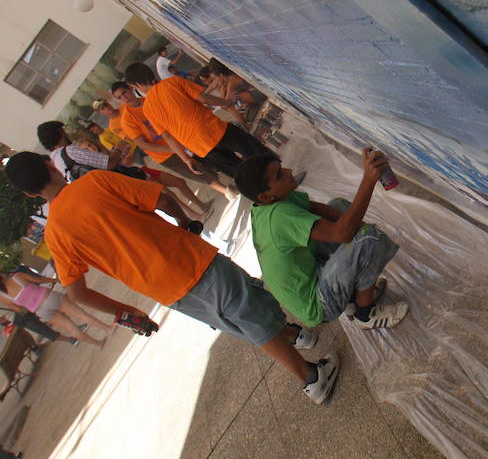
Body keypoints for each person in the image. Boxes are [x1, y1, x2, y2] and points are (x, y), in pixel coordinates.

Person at [4, 153, 339, 403]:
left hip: (165, 291)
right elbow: (160, 197)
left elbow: (77, 294)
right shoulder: (93, 183)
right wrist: (185, 223)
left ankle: (294, 335)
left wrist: (127, 311)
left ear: (32, 195)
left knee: (238, 314)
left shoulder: (56, 235)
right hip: (189, 261)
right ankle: (310, 377)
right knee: (248, 309)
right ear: (50, 166)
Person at [234, 148, 409, 333]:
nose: (289, 172)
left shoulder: (272, 200)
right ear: (264, 196)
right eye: (279, 175)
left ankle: (355, 295)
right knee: (370, 238)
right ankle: (365, 314)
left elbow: (319, 210)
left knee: (340, 208)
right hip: (317, 304)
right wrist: (368, 181)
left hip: (312, 272)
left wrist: (361, 249)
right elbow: (342, 234)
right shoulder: (278, 217)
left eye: (282, 168)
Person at [124, 63, 274, 179]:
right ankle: (280, 175)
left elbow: (168, 137)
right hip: (216, 130)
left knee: (241, 174)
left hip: (201, 148)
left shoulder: (147, 109)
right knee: (256, 151)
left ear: (136, 85)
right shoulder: (172, 82)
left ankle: (270, 194)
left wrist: (186, 159)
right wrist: (225, 102)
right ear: (150, 72)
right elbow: (203, 98)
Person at [110, 81, 234, 200]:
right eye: (120, 97)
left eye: (124, 92)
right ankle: (226, 191)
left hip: (181, 139)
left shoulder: (148, 101)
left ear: (131, 88)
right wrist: (172, 148)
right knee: (198, 171)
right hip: (165, 154)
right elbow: (143, 145)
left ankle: (232, 182)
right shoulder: (127, 120)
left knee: (208, 161)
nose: (124, 98)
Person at [75, 135, 212, 221]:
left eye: (89, 144)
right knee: (169, 196)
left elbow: (131, 160)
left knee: (179, 182)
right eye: (86, 149)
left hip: (141, 170)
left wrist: (128, 155)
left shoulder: (108, 153)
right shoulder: (100, 165)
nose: (90, 148)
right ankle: (194, 216)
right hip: (136, 179)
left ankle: (201, 206)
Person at [0, 272, 112, 348]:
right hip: (49, 297)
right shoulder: (17, 277)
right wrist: (54, 280)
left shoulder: (2, 297)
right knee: (81, 314)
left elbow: (19, 309)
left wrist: (27, 303)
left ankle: (98, 343)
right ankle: (107, 328)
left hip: (40, 311)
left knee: (71, 329)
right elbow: (39, 279)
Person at [37, 121, 132, 182]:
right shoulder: (69, 151)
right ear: (60, 132)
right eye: (64, 130)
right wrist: (119, 148)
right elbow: (109, 164)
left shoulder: (54, 163)